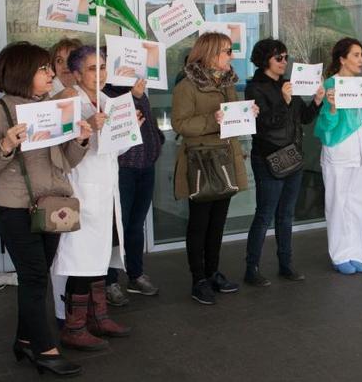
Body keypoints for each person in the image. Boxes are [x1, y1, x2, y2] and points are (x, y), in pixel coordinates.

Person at [0, 42, 89, 376]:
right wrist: (7, 144)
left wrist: (80, 140)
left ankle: (24, 341)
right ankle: (45, 350)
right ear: (22, 71)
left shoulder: (52, 108)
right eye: (43, 69)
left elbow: (63, 162)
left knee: (36, 276)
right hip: (14, 209)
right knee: (35, 276)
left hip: (50, 208)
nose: (52, 73)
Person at [52, 46, 132, 351]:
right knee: (80, 259)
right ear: (74, 74)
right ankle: (73, 326)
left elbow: (117, 150)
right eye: (90, 69)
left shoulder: (110, 101)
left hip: (106, 191)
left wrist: (126, 129)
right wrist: (89, 130)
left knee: (99, 256)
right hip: (80, 191)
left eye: (102, 67)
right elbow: (59, 149)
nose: (98, 74)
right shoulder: (67, 101)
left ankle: (98, 316)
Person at [172, 32, 252, 305]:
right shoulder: (187, 85)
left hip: (225, 157)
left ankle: (212, 271)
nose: (231, 55)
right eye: (227, 51)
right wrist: (213, 119)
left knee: (218, 222)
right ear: (210, 54)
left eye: (230, 50)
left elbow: (230, 118)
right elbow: (180, 125)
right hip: (202, 161)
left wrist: (246, 115)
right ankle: (199, 279)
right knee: (199, 223)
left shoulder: (227, 81)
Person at [244, 38, 323, 286]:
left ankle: (286, 264)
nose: (284, 62)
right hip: (268, 157)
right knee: (265, 213)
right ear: (265, 59)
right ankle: (251, 268)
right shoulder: (255, 88)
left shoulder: (288, 84)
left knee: (286, 214)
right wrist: (283, 100)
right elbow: (263, 124)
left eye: (286, 57)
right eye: (279, 58)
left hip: (292, 155)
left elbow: (305, 118)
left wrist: (318, 102)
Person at [314, 37, 362, 274]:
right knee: (338, 202)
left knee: (359, 202)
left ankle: (356, 252)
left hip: (361, 148)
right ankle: (340, 254)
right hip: (339, 149)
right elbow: (323, 126)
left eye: (361, 54)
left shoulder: (361, 84)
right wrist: (331, 108)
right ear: (342, 58)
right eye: (355, 55)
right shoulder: (330, 85)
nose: (361, 59)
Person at [102, 76, 165, 305]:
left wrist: (157, 140)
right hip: (123, 170)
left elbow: (147, 122)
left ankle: (135, 274)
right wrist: (135, 98)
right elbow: (119, 126)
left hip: (145, 167)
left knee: (136, 225)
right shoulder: (106, 94)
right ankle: (109, 282)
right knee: (117, 227)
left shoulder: (137, 91)